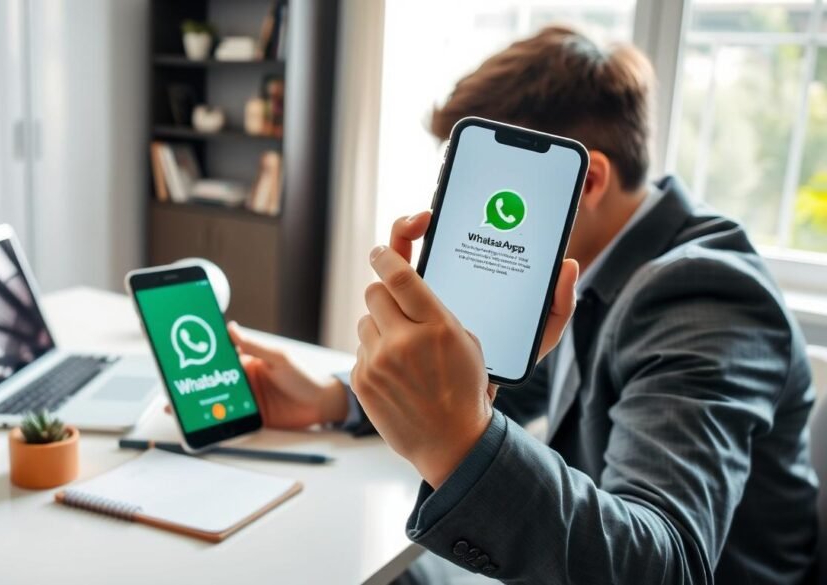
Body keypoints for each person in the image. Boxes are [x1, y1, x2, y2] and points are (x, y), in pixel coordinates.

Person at [224, 26, 818, 583]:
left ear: (587, 181)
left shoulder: (704, 297)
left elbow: (670, 567)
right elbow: (516, 376)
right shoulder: (598, 263)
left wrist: (457, 442)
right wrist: (334, 399)